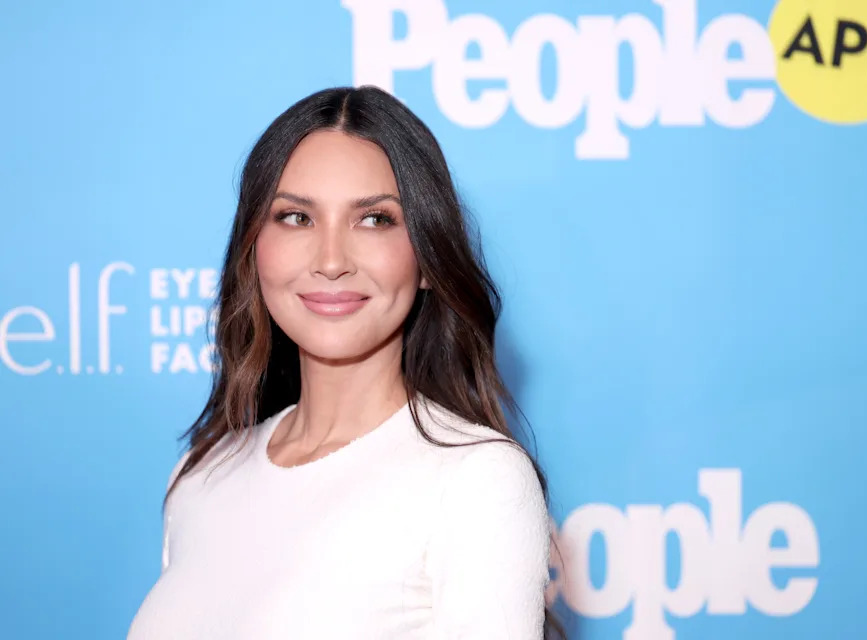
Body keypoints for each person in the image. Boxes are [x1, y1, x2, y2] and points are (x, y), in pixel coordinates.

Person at [126, 86, 564, 639]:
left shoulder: (477, 481)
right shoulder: (200, 477)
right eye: (295, 218)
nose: (331, 261)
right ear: (252, 249)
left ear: (428, 257)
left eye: (375, 220)